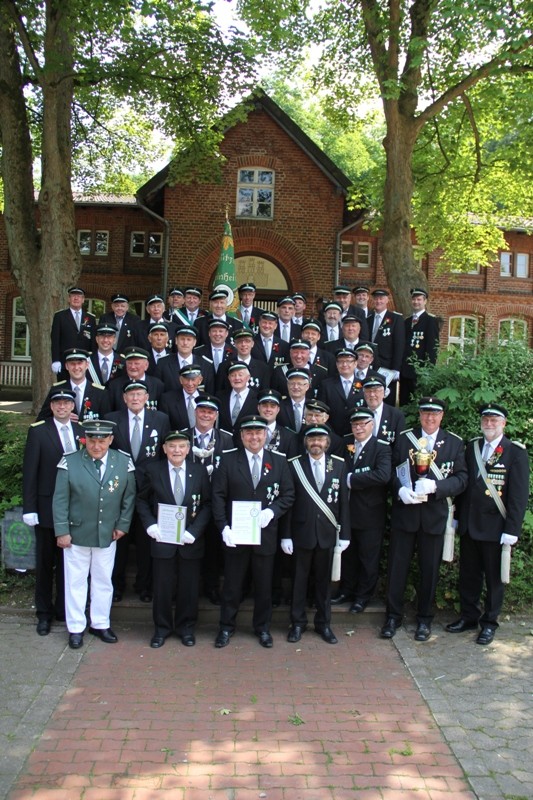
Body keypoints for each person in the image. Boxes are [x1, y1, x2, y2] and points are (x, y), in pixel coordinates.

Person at [381, 397, 468, 642]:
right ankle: (392, 617)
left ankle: (424, 619)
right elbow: (390, 471)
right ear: (419, 415)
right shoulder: (404, 439)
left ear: (442, 416)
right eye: (426, 413)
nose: (430, 418)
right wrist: (399, 490)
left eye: (435, 414)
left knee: (429, 571)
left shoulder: (454, 443)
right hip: (405, 514)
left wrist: (437, 486)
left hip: (433, 517)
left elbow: (462, 479)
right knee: (397, 568)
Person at [447, 404, 529, 645]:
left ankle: (490, 623)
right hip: (470, 524)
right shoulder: (473, 447)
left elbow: (518, 496)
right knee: (468, 575)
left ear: (504, 423)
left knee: (494, 579)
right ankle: (469, 616)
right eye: (486, 420)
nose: (489, 424)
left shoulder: (515, 452)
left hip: (496, 527)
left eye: (494, 420)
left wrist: (512, 529)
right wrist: (457, 515)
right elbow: (465, 485)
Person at [211, 415, 295, 648]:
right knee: (232, 585)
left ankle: (262, 628)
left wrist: (272, 511)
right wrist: (223, 527)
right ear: (242, 436)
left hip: (264, 534)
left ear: (265, 435)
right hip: (235, 535)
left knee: (264, 586)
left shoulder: (278, 461)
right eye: (249, 433)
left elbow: (288, 494)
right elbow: (217, 496)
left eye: (258, 433)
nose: (254, 437)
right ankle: (226, 627)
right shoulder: (228, 460)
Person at [53, 419, 136, 649]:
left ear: (110, 440)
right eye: (92, 440)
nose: (96, 446)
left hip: (107, 533)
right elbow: (60, 500)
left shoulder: (123, 462)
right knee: (75, 582)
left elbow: (129, 497)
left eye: (102, 441)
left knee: (103, 580)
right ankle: (76, 628)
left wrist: (123, 525)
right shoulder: (70, 462)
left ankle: (100, 623)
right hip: (76, 533)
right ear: (85, 440)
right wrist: (62, 531)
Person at [136, 431, 212, 648]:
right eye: (172, 446)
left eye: (181, 446)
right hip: (163, 538)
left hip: (190, 540)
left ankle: (186, 629)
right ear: (164, 449)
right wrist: (150, 525)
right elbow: (141, 500)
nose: (176, 450)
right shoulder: (153, 470)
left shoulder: (199, 471)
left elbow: (207, 504)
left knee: (189, 588)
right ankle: (161, 629)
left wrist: (195, 531)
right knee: (162, 587)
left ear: (188, 449)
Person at [282, 424, 350, 644]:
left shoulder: (338, 465)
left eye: (320, 439)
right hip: (301, 533)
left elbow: (344, 502)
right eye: (312, 439)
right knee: (298, 582)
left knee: (323, 583)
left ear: (327, 442)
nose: (316, 443)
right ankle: (297, 623)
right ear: (306, 442)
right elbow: (288, 503)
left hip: (327, 533)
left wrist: (345, 534)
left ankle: (324, 624)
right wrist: (286, 535)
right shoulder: (294, 465)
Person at [22, 387, 83, 635]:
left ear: (73, 406)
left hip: (75, 508)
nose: (62, 407)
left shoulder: (82, 431)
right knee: (46, 564)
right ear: (52, 406)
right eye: (57, 403)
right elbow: (30, 472)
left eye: (66, 403)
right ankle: (44, 614)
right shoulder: (38, 431)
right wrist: (30, 508)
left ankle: (63, 610)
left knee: (69, 564)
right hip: (46, 507)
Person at [105, 379, 170, 602]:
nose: (135, 398)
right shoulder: (112, 419)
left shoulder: (160, 419)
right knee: (118, 540)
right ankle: (117, 586)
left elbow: (164, 453)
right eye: (131, 395)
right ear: (124, 398)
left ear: (146, 398)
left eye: (139, 394)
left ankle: (145, 586)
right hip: (119, 490)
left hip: (148, 490)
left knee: (145, 541)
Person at [332, 408, 391, 612]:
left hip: (369, 513)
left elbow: (383, 475)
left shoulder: (381, 448)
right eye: (355, 424)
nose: (358, 428)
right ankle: (346, 590)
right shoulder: (345, 443)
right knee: (348, 555)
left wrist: (352, 480)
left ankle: (363, 596)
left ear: (372, 425)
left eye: (362, 424)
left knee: (368, 557)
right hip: (346, 511)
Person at [38, 348, 110, 423]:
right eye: (72, 364)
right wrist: (60, 417)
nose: (76, 367)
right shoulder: (57, 389)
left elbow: (107, 423)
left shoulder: (100, 392)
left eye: (79, 363)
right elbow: (41, 420)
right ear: (66, 366)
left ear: (87, 365)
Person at [399, 288, 440, 406]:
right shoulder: (407, 321)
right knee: (404, 402)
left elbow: (432, 348)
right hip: (405, 371)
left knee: (418, 403)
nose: (416, 302)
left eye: (419, 299)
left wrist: (428, 371)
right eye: (414, 299)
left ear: (425, 301)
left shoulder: (430, 321)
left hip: (420, 372)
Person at [367, 289, 405, 405]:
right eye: (376, 298)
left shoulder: (396, 319)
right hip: (370, 365)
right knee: (371, 396)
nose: (378, 301)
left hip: (387, 368)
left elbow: (399, 344)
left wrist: (396, 368)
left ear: (387, 300)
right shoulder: (368, 319)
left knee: (387, 399)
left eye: (381, 298)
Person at [50, 286, 97, 377]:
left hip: (84, 362)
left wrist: (93, 360)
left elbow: (93, 342)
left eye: (79, 296)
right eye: (73, 296)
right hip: (65, 362)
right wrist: (55, 360)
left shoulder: (90, 318)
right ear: (69, 299)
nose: (76, 298)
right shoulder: (60, 316)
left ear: (83, 300)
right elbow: (55, 340)